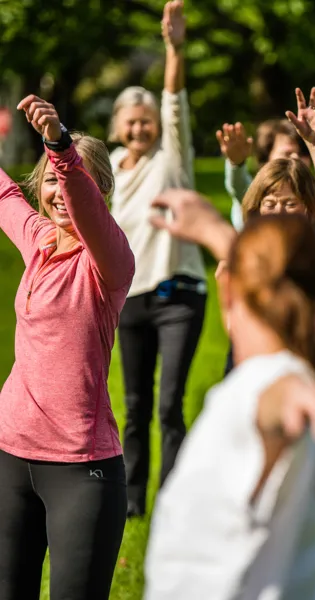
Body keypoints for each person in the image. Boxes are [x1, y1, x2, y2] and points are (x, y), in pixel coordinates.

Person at [143, 189, 315, 600]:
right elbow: (272, 277)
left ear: (226, 289)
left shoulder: (268, 385)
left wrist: (288, 397)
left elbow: (275, 398)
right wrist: (213, 231)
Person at [0, 96, 134, 600]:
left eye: (72, 179)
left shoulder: (109, 263)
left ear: (99, 191)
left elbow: (81, 200)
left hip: (82, 468)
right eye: (50, 179)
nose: (59, 190)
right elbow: (3, 194)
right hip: (8, 452)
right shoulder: (36, 241)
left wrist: (60, 148)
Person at [108, 0, 206, 519]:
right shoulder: (110, 173)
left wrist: (174, 49)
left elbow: (174, 105)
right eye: (132, 122)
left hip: (178, 294)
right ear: (118, 126)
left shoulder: (173, 159)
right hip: (130, 300)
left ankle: (170, 497)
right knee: (134, 406)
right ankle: (131, 499)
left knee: (169, 405)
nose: (142, 128)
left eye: (147, 122)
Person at [219, 87, 315, 368]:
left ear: (309, 209)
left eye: (291, 205)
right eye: (270, 204)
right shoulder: (250, 269)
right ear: (255, 209)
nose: (279, 212)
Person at [217, 118, 311, 231]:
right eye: (287, 153)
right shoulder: (257, 193)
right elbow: (240, 186)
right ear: (266, 158)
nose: (296, 158)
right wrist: (237, 163)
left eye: (302, 153)